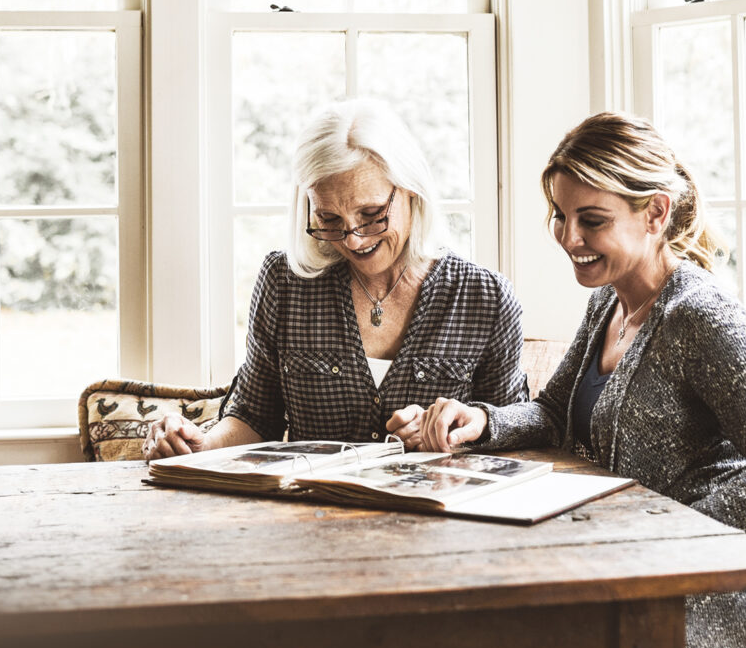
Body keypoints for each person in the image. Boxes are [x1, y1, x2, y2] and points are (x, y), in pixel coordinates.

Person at [387, 111, 746, 648]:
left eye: (591, 220)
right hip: (624, 571)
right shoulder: (612, 301)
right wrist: (483, 422)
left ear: (655, 213)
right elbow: (552, 412)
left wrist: (658, 528)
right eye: (559, 216)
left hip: (703, 593)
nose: (568, 238)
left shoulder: (703, 319)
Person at [145, 98, 528, 458]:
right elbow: (255, 416)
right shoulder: (285, 282)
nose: (354, 239)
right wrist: (198, 445)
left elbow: (517, 432)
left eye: (372, 213)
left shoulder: (485, 297)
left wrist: (456, 431)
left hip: (443, 521)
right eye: (329, 219)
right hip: (313, 520)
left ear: (412, 190)